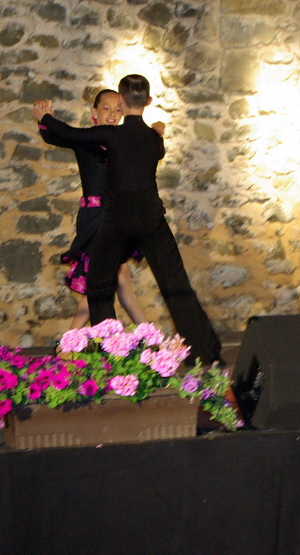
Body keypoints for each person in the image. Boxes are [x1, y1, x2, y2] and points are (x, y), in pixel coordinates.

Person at [31, 74, 222, 364]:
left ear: (121, 100)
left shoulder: (112, 135)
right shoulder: (153, 139)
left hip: (118, 220)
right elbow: (156, 151)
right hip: (151, 219)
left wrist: (44, 117)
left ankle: (112, 354)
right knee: (176, 284)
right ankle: (205, 353)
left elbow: (69, 133)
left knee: (98, 287)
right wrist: (157, 133)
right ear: (149, 101)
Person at [36, 89, 151, 329]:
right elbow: (58, 136)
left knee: (119, 278)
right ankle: (149, 335)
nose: (112, 114)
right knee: (110, 279)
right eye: (106, 108)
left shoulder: (122, 140)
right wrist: (45, 119)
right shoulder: (87, 140)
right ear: (94, 113)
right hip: (96, 217)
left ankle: (149, 335)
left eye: (118, 109)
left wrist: (156, 132)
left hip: (117, 217)